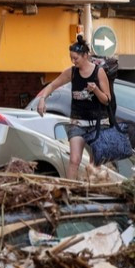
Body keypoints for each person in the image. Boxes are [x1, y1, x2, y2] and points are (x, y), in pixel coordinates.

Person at [37, 34, 112, 179]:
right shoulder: (72, 72)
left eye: (76, 58)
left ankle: (91, 195)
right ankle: (70, 192)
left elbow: (107, 100)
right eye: (71, 58)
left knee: (94, 164)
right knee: (74, 160)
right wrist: (42, 99)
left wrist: (95, 89)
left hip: (98, 123)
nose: (73, 61)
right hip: (78, 122)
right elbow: (52, 85)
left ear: (85, 55)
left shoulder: (99, 72)